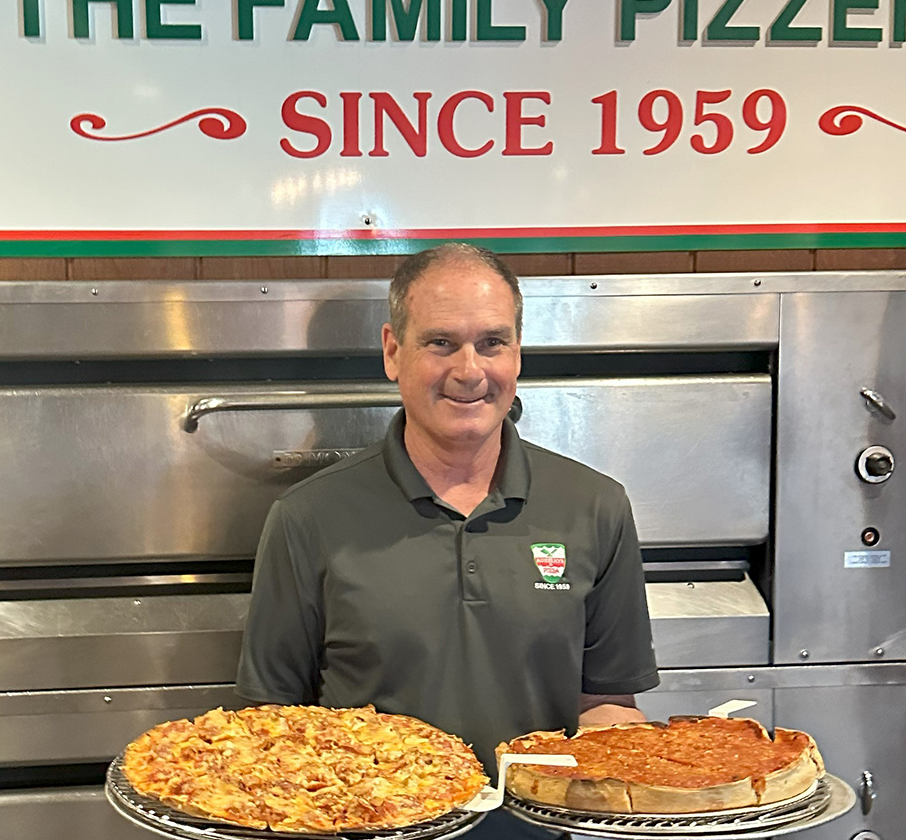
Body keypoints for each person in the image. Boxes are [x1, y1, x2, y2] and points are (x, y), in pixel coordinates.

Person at [236, 244, 658, 838]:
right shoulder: (308, 516)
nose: (469, 370)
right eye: (441, 343)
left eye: (492, 342)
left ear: (516, 352)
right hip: (368, 830)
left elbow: (608, 705)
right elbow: (272, 725)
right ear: (392, 352)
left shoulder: (595, 505)